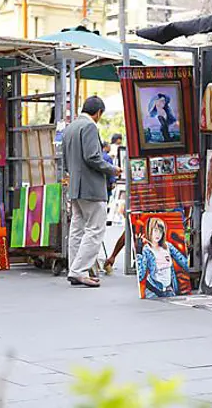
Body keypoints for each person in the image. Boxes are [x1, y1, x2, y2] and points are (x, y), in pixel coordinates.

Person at [62, 96, 121, 288]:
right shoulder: (89, 127)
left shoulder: (70, 127)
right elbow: (93, 157)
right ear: (98, 113)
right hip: (91, 188)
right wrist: (112, 169)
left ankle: (74, 268)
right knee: (95, 229)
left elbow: (65, 160)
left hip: (76, 187)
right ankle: (79, 271)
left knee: (77, 229)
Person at [137, 217, 189, 298]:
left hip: (169, 290)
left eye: (160, 231)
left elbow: (183, 261)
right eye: (155, 230)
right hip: (153, 291)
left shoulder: (168, 246)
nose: (158, 234)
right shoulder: (147, 250)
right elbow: (141, 275)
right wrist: (139, 253)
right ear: (150, 231)